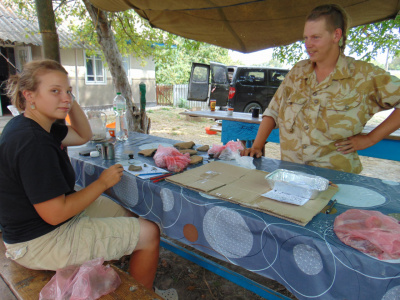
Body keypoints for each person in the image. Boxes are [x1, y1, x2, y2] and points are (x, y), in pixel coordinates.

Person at [0, 59, 177, 299]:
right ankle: (142, 294)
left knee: (128, 213)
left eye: (68, 91)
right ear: (29, 95)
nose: (65, 98)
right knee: (149, 232)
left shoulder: (39, 125)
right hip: (39, 241)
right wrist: (102, 183)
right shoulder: (33, 142)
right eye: (55, 91)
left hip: (42, 227)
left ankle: (116, 274)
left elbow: (83, 135)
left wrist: (68, 103)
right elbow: (55, 214)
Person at [242, 4, 400, 174]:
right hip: (291, 176)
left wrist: (370, 139)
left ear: (336, 35)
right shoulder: (298, 72)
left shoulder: (363, 75)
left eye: (316, 37)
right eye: (306, 38)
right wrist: (257, 145)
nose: (308, 44)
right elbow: (273, 111)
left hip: (337, 180)